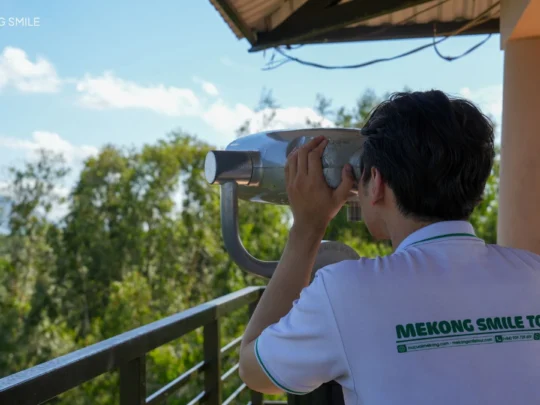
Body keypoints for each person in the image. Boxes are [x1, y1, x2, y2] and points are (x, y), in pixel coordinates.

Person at [237, 90, 540, 404]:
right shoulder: (534, 273)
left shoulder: (346, 290)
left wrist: (307, 228)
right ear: (477, 191)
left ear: (376, 182)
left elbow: (254, 370)